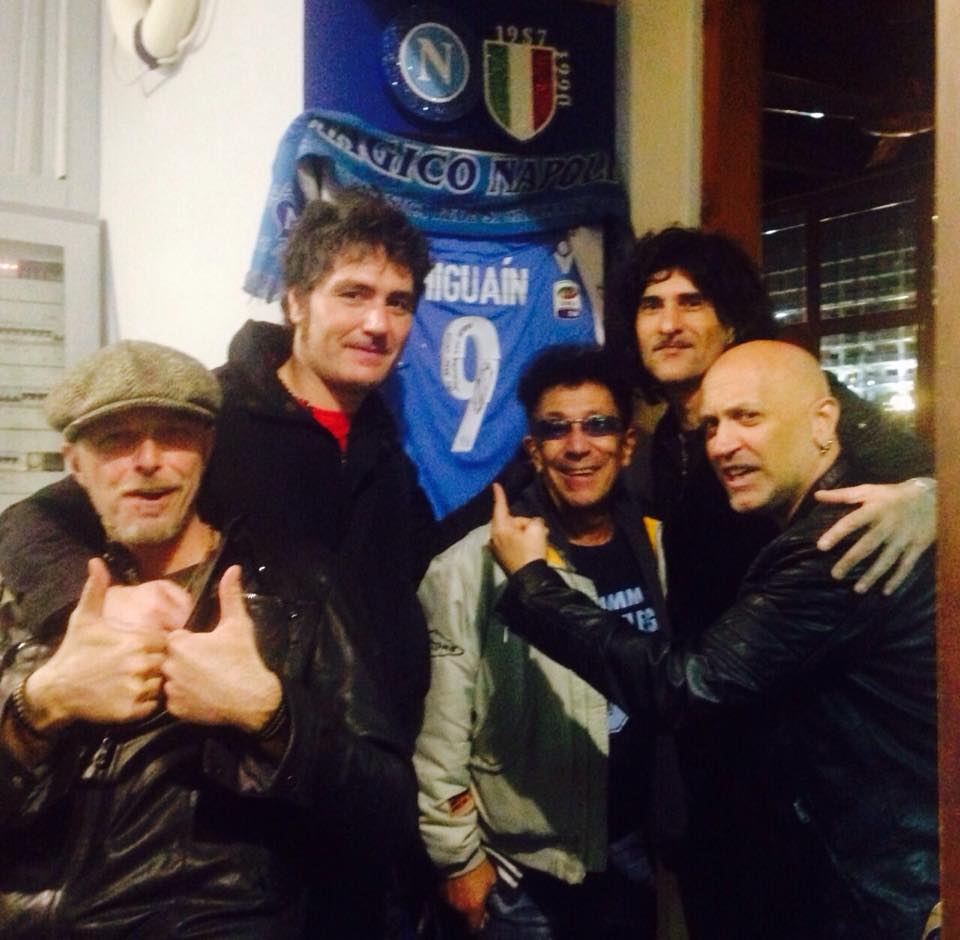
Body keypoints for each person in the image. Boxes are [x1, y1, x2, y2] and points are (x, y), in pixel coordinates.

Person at [0, 189, 437, 935]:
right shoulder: (202, 422)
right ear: (295, 302)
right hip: (229, 832)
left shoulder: (387, 449)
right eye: (354, 294)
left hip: (346, 803)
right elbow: (30, 522)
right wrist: (91, 612)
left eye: (398, 303)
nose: (377, 322)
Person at [489, 340, 938, 940]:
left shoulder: (840, 539)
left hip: (887, 891)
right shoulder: (816, 518)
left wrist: (533, 583)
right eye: (711, 426)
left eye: (748, 417)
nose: (723, 444)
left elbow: (686, 684)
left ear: (823, 421)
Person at [608, 225, 936, 936]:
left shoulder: (804, 405)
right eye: (650, 305)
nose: (668, 323)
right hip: (708, 750)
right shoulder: (665, 445)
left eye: (692, 301)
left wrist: (931, 496)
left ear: (730, 319)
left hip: (804, 774)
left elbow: (923, 463)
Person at [415, 346, 669, 938]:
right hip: (521, 872)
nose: (577, 446)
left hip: (633, 852)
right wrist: (458, 857)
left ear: (627, 444)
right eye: (556, 429)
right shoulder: (474, 564)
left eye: (598, 425)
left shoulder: (659, 549)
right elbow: (438, 731)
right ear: (533, 451)